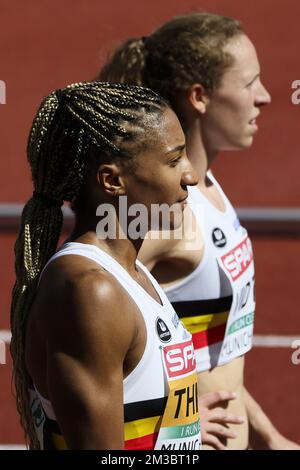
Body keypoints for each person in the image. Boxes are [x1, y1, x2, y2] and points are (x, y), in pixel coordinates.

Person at [98, 12, 299, 450]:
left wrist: (267, 436)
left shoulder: (206, 192)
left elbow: (214, 359)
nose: (264, 97)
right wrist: (164, 427)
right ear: (200, 96)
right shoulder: (167, 215)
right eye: (249, 84)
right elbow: (75, 325)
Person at [10, 81, 202, 450]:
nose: (190, 176)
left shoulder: (131, 272)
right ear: (112, 180)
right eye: (174, 160)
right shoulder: (90, 292)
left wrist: (182, 430)